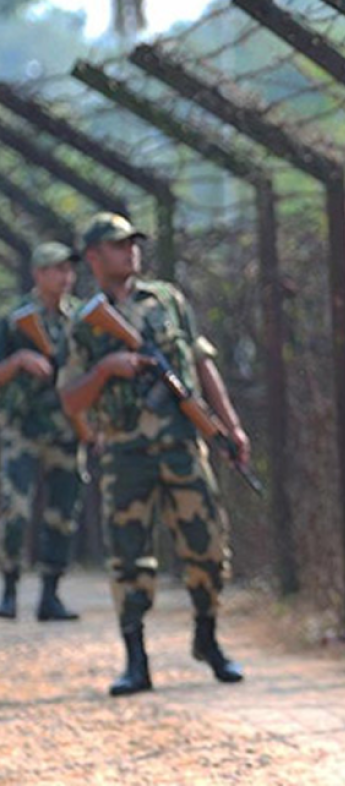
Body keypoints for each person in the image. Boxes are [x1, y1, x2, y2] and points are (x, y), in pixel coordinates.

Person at [59, 212, 249, 696]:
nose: (131, 252)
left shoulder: (167, 300)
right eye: (119, 245)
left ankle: (207, 639)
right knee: (129, 559)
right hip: (125, 452)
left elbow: (202, 365)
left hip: (182, 443)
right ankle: (136, 661)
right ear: (94, 257)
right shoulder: (85, 323)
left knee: (207, 549)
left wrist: (230, 426)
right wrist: (107, 369)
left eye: (133, 244)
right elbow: (71, 399)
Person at [0, 241, 86, 622]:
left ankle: (50, 594)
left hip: (66, 428)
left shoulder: (82, 319)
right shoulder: (14, 321)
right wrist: (18, 360)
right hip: (21, 428)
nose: (65, 277)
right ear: (38, 274)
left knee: (63, 512)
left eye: (69, 270)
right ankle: (9, 590)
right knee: (13, 509)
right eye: (56, 270)